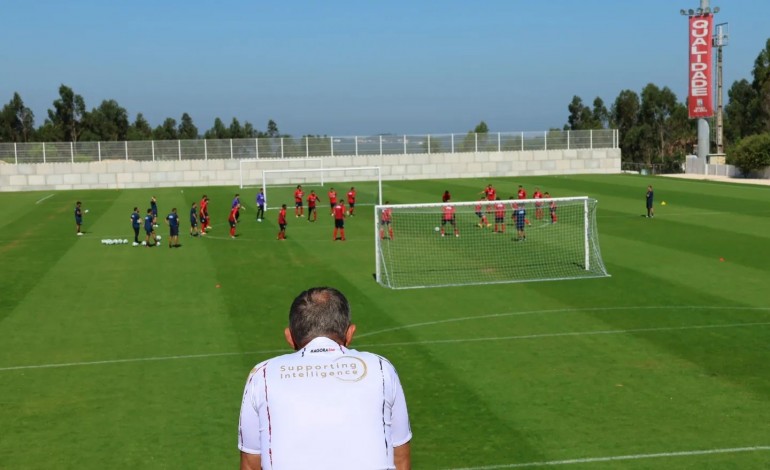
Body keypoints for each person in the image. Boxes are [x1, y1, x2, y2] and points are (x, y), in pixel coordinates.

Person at [238, 287, 412, 470]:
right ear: (350, 333)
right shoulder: (381, 368)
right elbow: (400, 459)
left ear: (289, 337)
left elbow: (250, 464)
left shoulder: (262, 375)